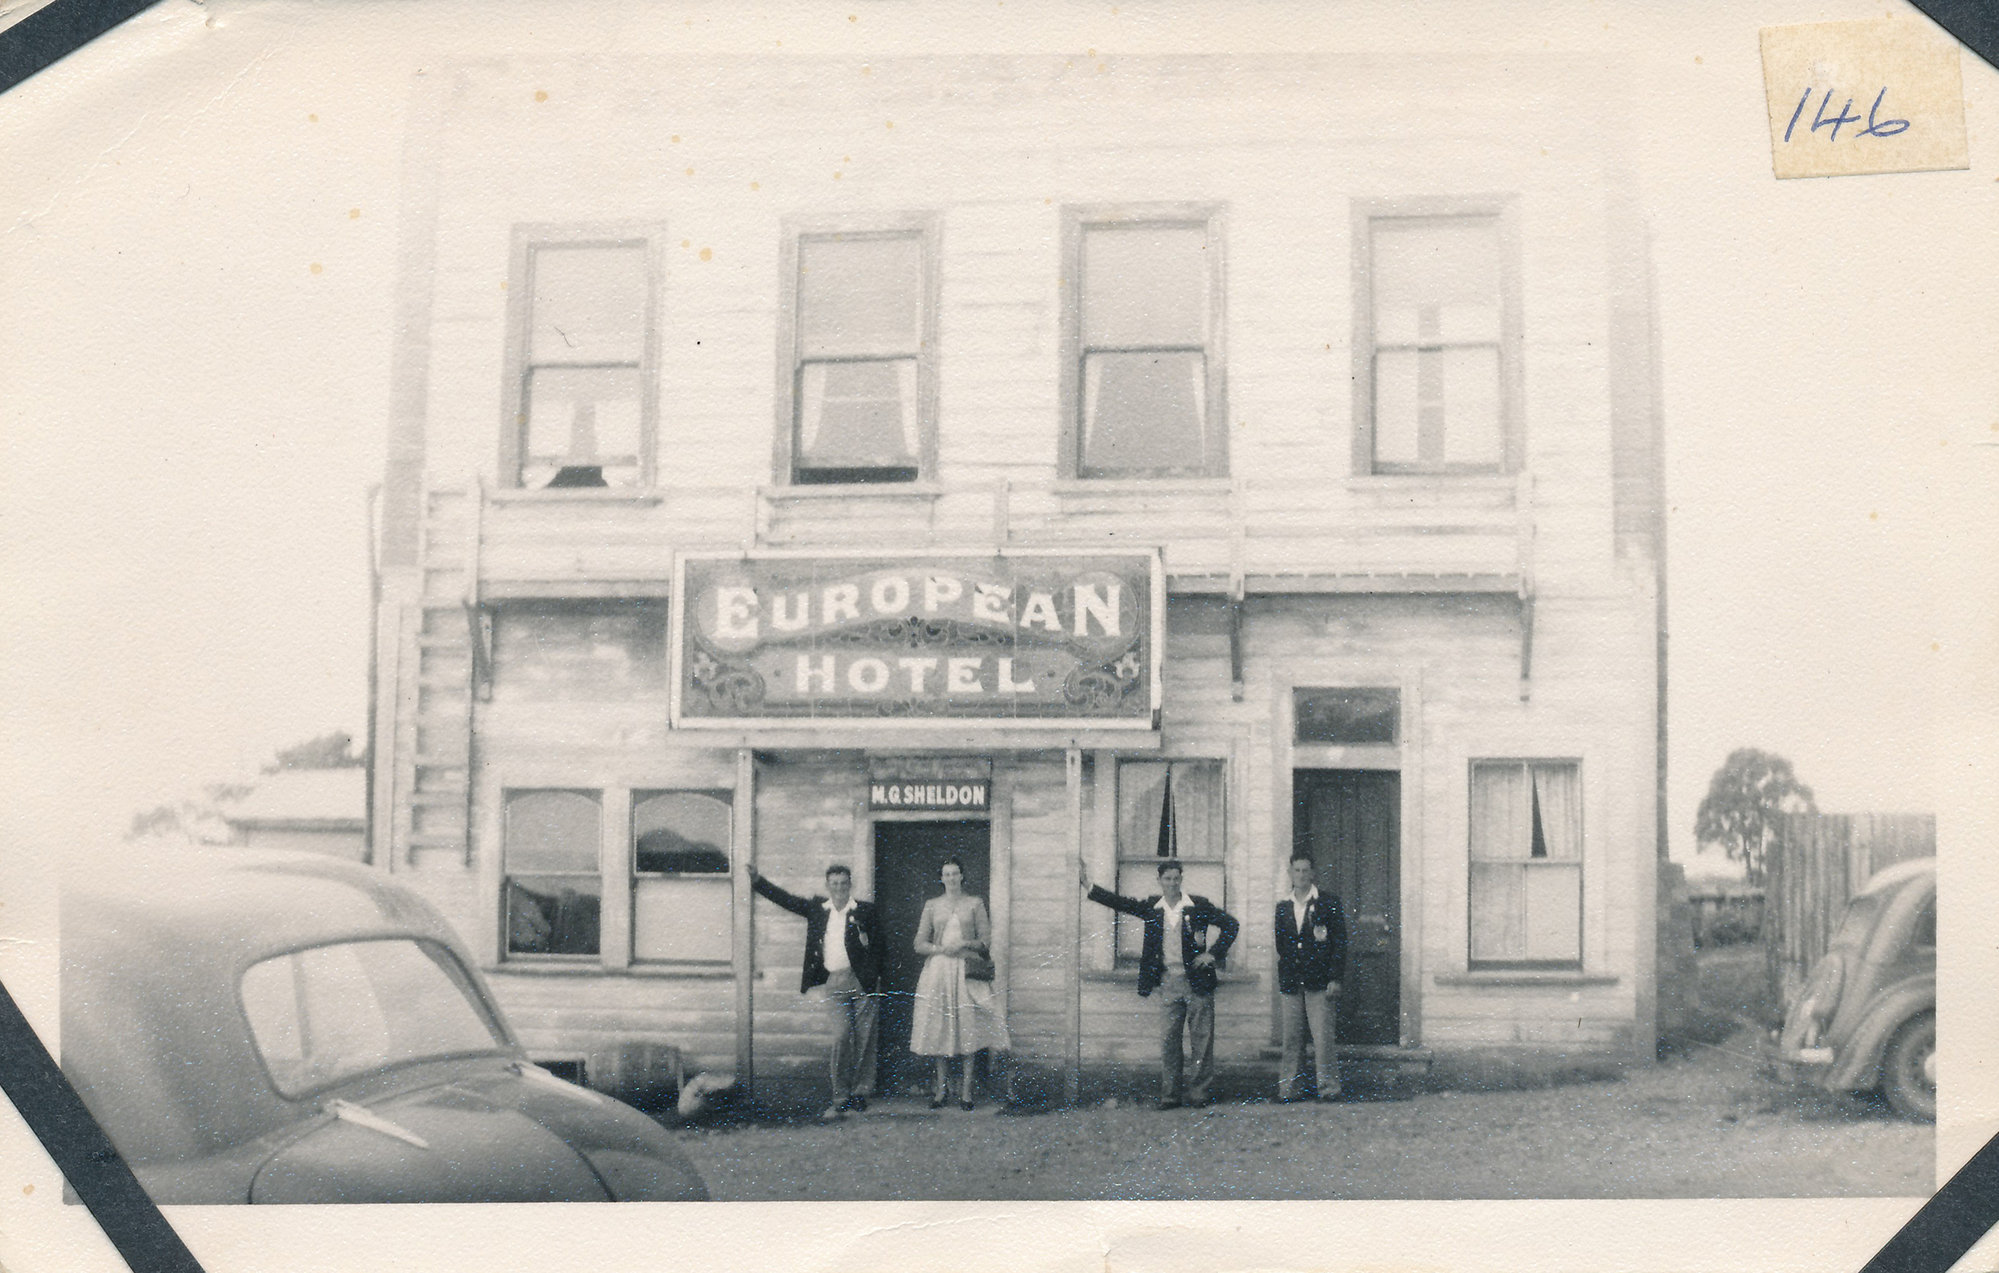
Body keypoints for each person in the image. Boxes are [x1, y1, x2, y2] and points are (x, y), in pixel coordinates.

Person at [1081, 859, 1239, 1109]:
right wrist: (1088, 885)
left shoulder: (1197, 905)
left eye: (1176, 878)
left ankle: (1199, 1093)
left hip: (1198, 983)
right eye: (1167, 879)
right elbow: (1121, 903)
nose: (1172, 883)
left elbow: (1231, 925)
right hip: (1168, 983)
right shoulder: (1153, 907)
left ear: (1181, 879)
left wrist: (1213, 954)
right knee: (1169, 1040)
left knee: (1202, 1040)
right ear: (1160, 881)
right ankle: (1170, 1095)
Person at [748, 861, 883, 1122]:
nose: (840, 888)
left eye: (844, 883)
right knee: (842, 1036)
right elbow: (787, 900)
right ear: (828, 885)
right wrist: (757, 881)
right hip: (834, 981)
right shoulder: (818, 909)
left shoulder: (865, 910)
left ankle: (860, 1092)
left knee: (866, 1038)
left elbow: (881, 947)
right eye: (835, 884)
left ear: (850, 884)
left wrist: (873, 973)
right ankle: (840, 1095)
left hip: (862, 982)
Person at [908, 857, 1012, 1110]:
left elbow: (985, 940)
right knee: (940, 1027)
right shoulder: (932, 905)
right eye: (947, 874)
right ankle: (941, 1091)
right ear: (941, 878)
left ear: (962, 876)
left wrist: (964, 945)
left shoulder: (974, 903)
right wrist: (941, 948)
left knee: (968, 1027)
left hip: (966, 970)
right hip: (940, 970)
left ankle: (966, 1092)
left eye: (955, 873)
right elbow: (919, 943)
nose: (951, 878)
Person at [1276, 853, 1347, 1102]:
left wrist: (1334, 977)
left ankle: (1328, 1088)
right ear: (1290, 873)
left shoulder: (1328, 903)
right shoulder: (1283, 906)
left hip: (1320, 981)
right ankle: (1290, 1089)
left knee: (1323, 1037)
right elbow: (1282, 945)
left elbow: (1339, 943)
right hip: (1292, 981)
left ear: (1313, 873)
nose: (1302, 876)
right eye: (1297, 871)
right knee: (1292, 1038)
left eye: (1306, 871)